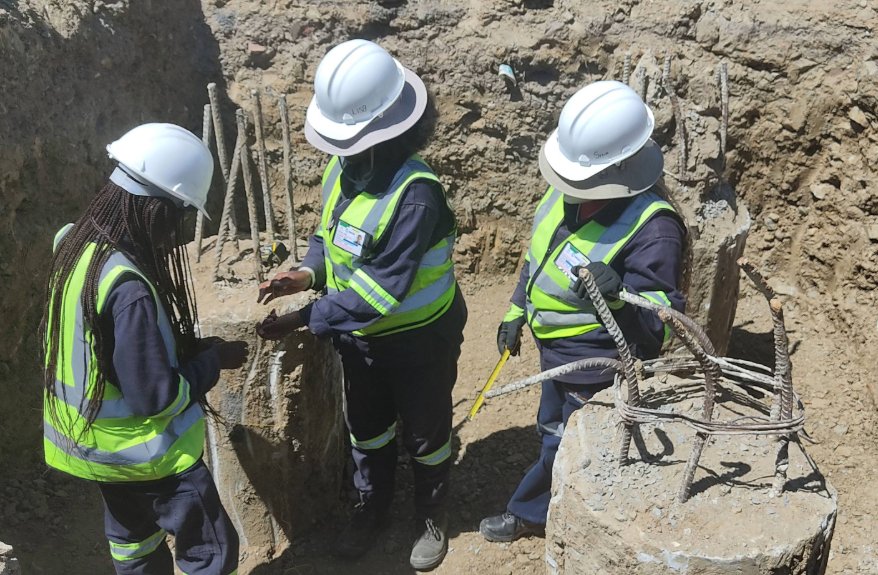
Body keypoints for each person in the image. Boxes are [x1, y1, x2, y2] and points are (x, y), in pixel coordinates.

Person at [255, 39, 466, 571]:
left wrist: (305, 318)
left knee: (426, 432)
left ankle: (430, 514)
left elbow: (381, 291)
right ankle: (371, 507)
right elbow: (332, 240)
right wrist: (304, 273)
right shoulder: (343, 171)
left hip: (419, 339)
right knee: (367, 427)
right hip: (361, 338)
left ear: (387, 131)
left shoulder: (415, 194)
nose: (341, 151)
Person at [479, 81, 687, 542]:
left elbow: (662, 331)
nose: (573, 189)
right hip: (554, 353)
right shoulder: (566, 189)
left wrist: (620, 297)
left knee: (567, 442)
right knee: (552, 427)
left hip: (597, 362)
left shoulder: (653, 231)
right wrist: (516, 311)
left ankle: (533, 513)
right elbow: (539, 258)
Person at [41, 123, 249, 575]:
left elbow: (105, 348)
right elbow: (155, 397)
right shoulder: (127, 287)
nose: (174, 234)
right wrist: (214, 361)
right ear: (155, 211)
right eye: (177, 218)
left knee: (133, 546)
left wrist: (185, 349)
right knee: (211, 552)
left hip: (92, 449)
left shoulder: (73, 246)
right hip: (151, 458)